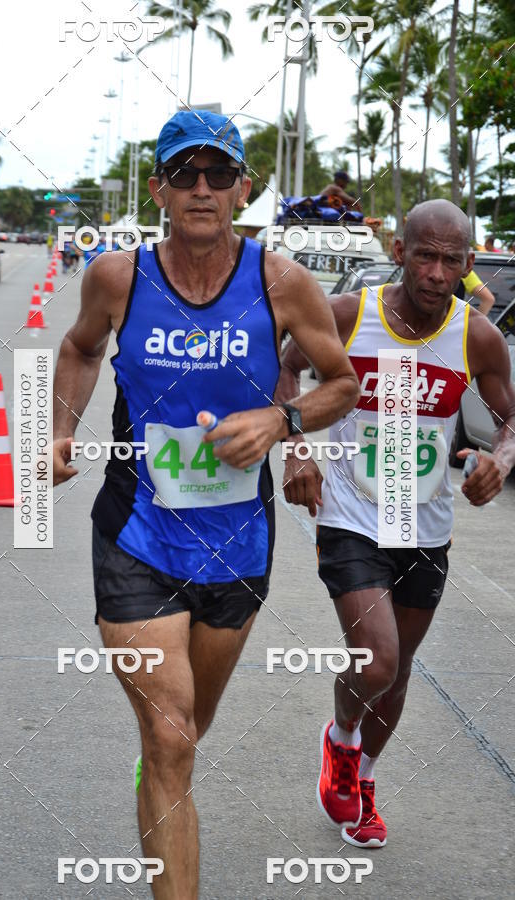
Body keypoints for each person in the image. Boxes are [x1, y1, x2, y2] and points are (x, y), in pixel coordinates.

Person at [51, 108, 360, 899]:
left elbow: (343, 383)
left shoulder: (279, 281)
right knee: (171, 732)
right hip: (138, 531)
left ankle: (159, 773)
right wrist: (55, 428)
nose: (201, 188)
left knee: (187, 732)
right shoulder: (118, 277)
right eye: (184, 173)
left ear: (243, 189)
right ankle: (162, 771)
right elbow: (81, 347)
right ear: (157, 188)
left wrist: (282, 419)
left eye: (218, 174)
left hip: (237, 541)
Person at [276, 199, 515, 849]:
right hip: (351, 516)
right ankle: (342, 737)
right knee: (376, 661)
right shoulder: (355, 315)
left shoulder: (477, 337)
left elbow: (508, 418)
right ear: (401, 252)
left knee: (400, 669)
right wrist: (298, 446)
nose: (436, 272)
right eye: (425, 255)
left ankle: (365, 778)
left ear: (469, 268)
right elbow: (291, 362)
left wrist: (498, 459)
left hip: (427, 527)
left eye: (452, 261)